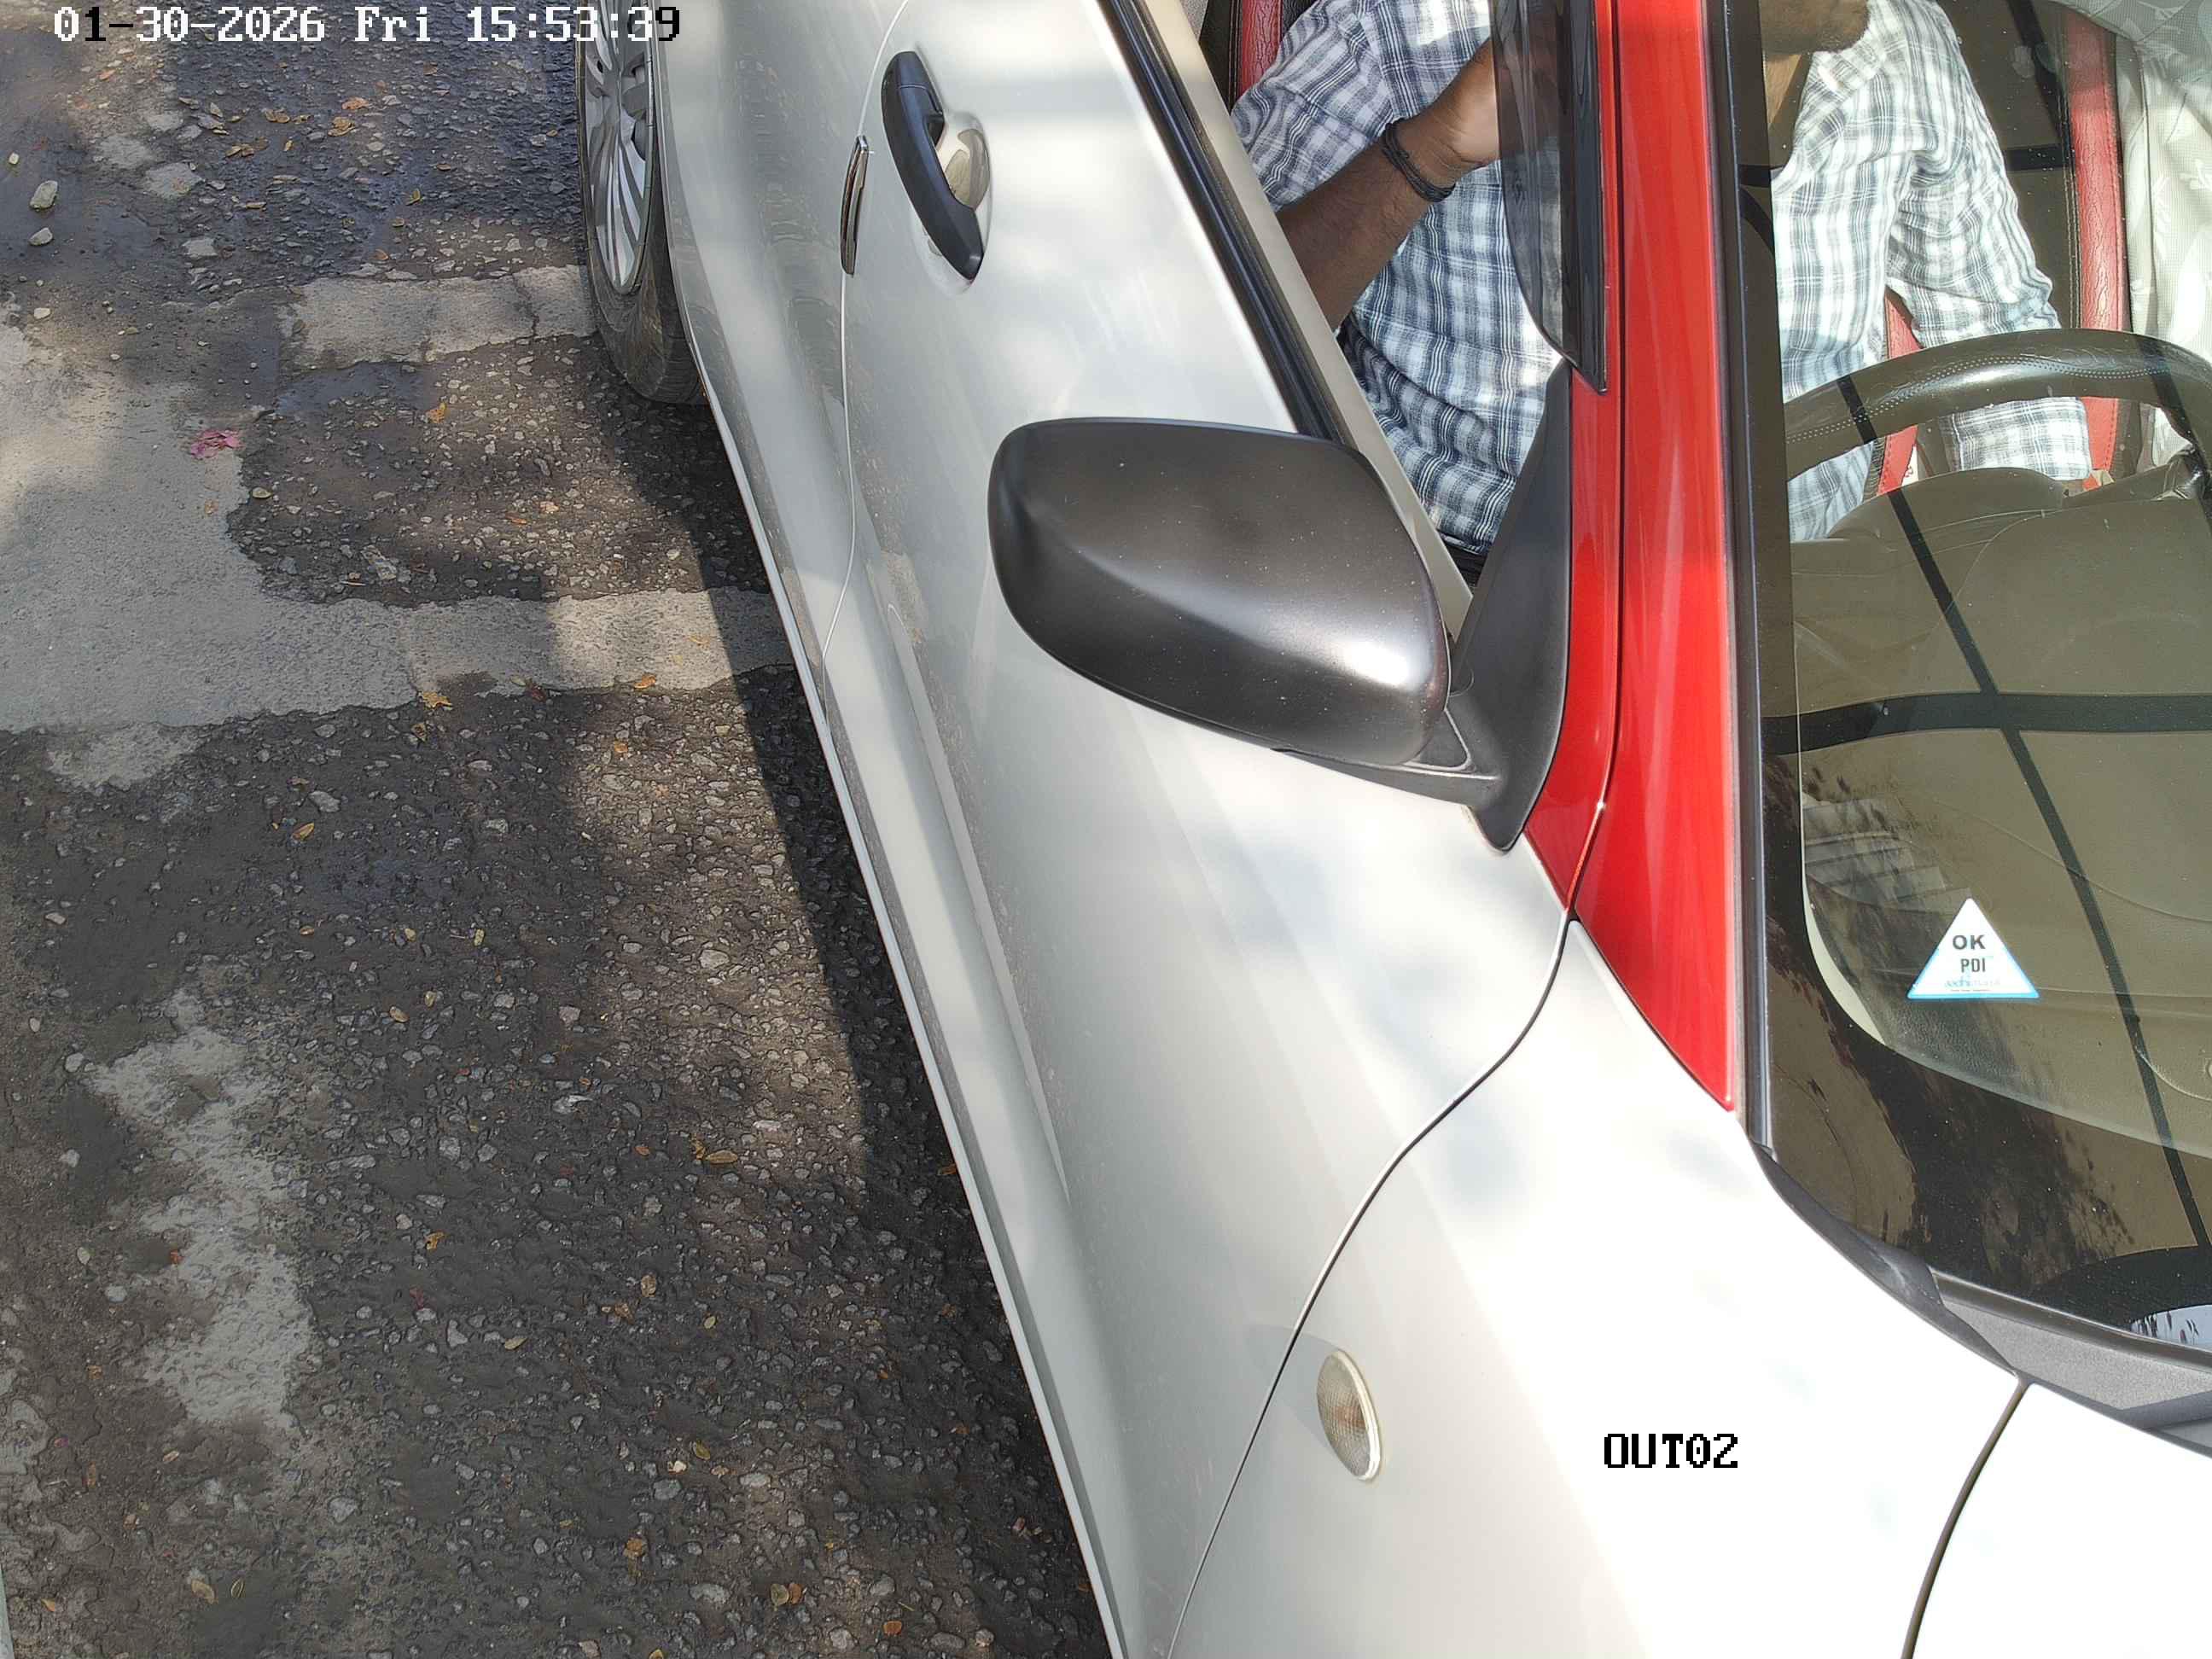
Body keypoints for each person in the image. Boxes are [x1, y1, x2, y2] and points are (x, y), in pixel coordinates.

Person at [1233, 0, 2094, 551]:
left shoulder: (1903, 43)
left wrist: (2040, 559)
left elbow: (1989, 315)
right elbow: (1226, 312)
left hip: (1807, 587)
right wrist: (1432, 149)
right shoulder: (1405, 28)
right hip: (1461, 580)